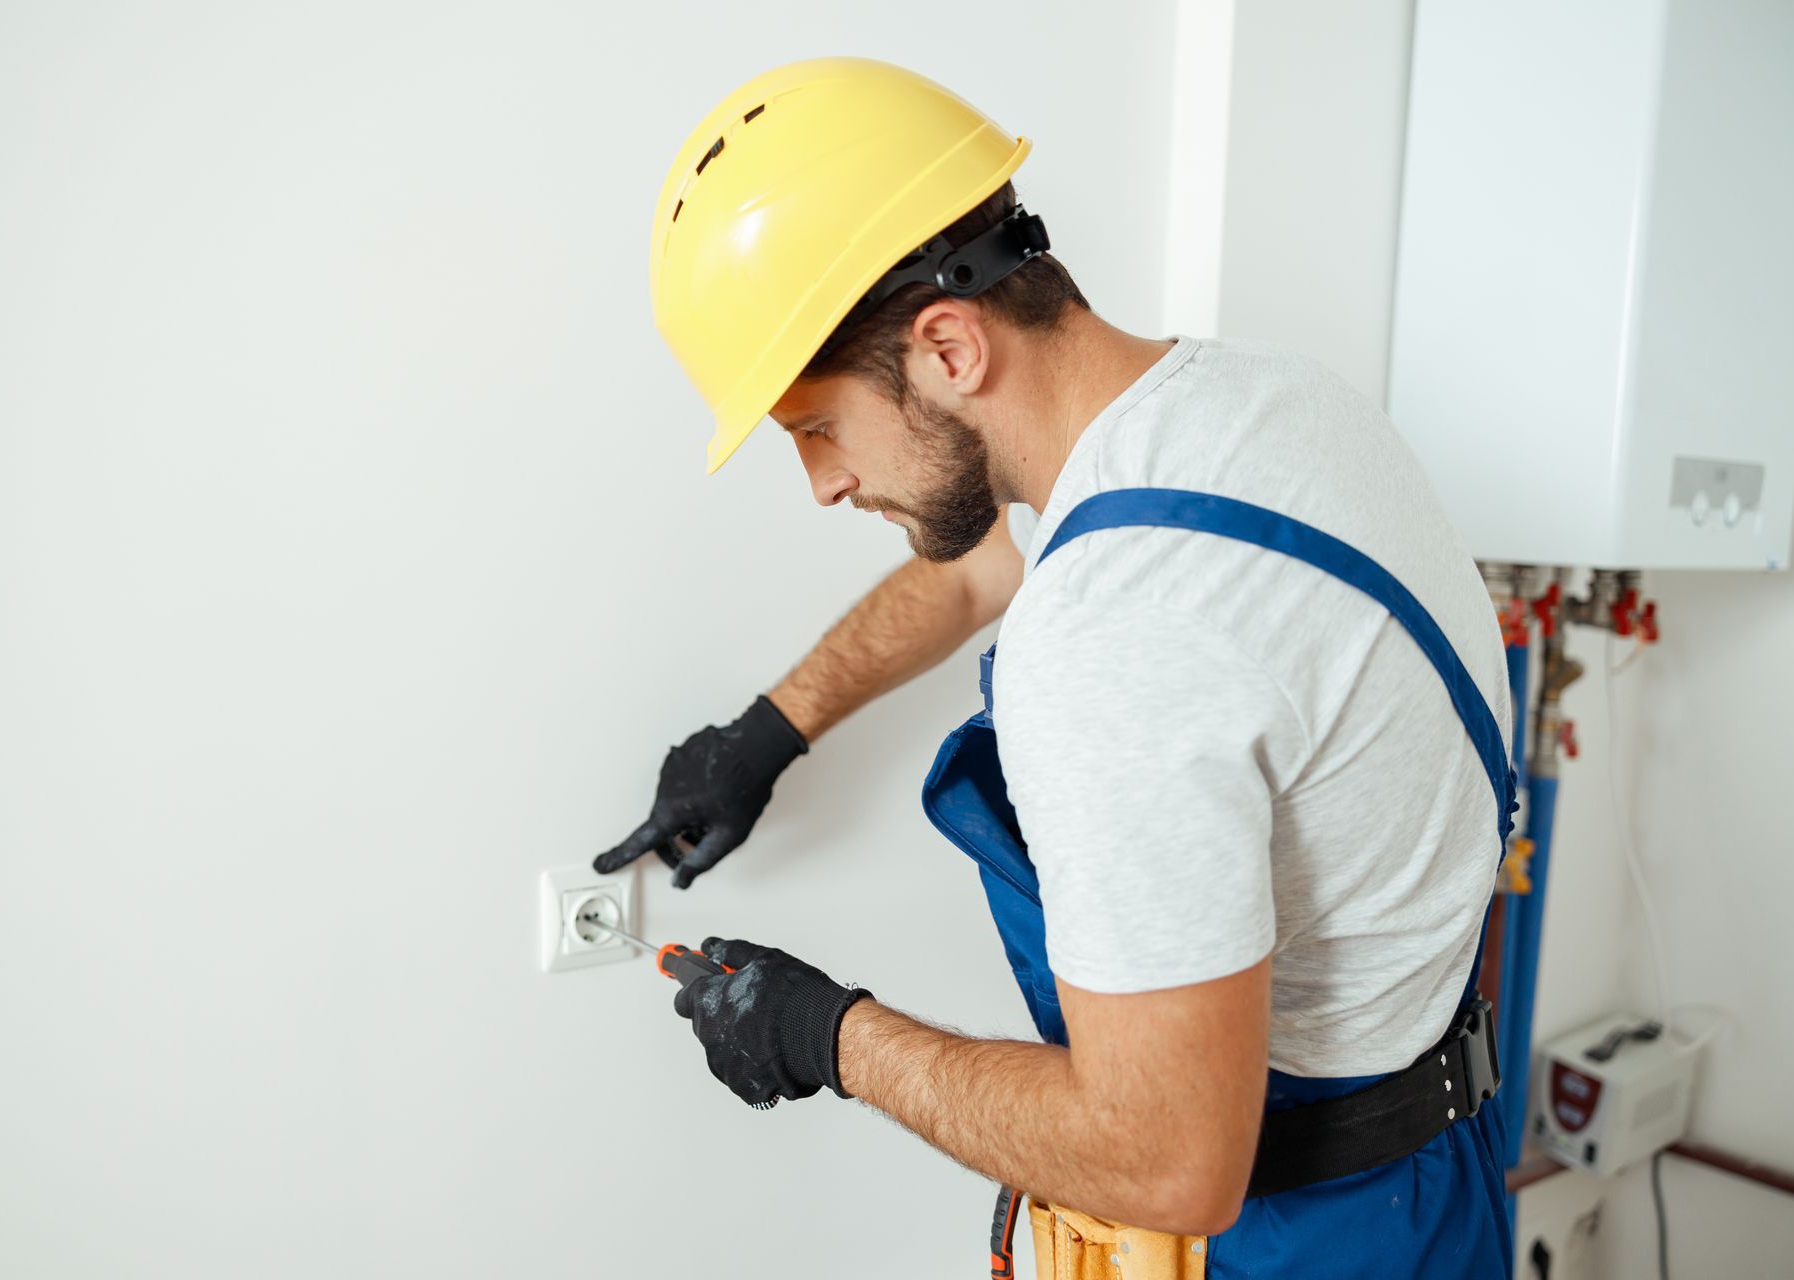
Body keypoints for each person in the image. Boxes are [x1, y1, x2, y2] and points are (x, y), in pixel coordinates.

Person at [595, 57, 1513, 1279]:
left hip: (1308, 1235)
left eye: (817, 426)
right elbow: (989, 566)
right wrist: (770, 730)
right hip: (1437, 1168)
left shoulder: (1112, 639)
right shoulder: (1260, 406)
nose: (822, 481)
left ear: (948, 345)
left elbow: (1171, 1160)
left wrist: (825, 1033)